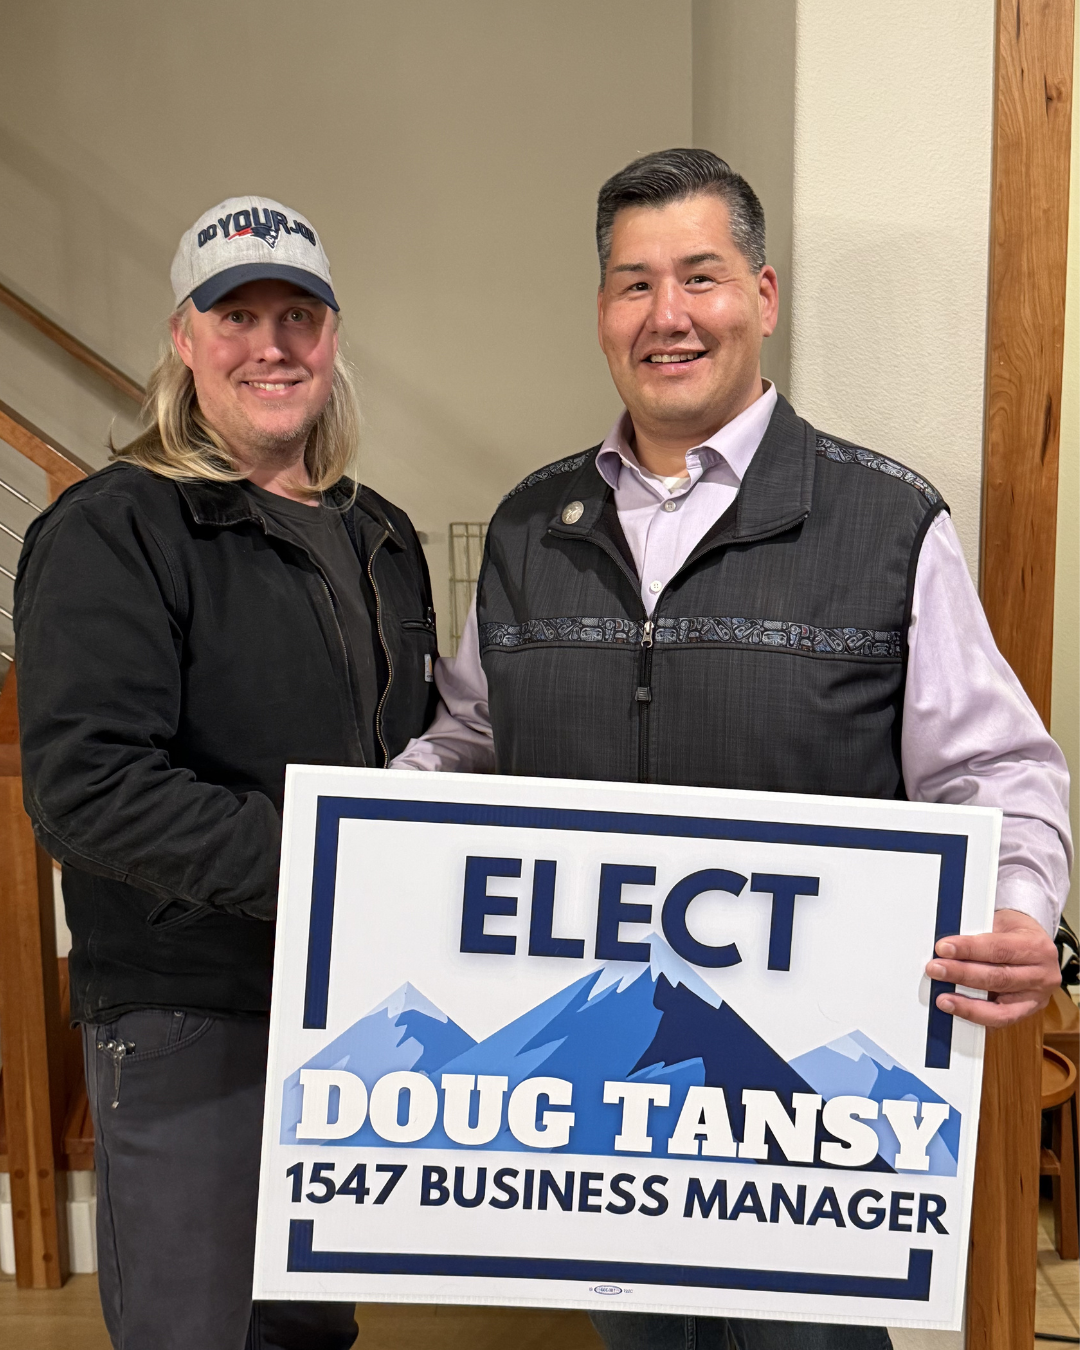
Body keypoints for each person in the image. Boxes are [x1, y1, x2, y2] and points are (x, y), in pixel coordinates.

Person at [393, 150, 1072, 1349]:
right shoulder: (528, 529)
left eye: (699, 277)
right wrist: (367, 855)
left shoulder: (885, 522)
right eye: (632, 283)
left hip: (807, 1118)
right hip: (601, 1106)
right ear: (601, 313)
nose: (667, 316)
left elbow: (996, 768)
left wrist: (1021, 905)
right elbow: (469, 743)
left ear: (763, 295)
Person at [15, 196, 439, 1350]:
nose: (271, 344)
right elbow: (87, 786)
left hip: (343, 1009)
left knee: (305, 1328)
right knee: (196, 1330)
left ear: (333, 338)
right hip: (185, 1009)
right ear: (184, 340)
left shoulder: (380, 533)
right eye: (236, 314)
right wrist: (333, 863)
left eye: (297, 314)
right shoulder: (117, 529)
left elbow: (417, 751)